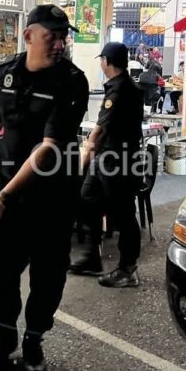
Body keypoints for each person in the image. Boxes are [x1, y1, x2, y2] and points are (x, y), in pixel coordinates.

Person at [0, 4, 89, 371]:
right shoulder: (5, 71)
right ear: (28, 36)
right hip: (11, 194)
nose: (60, 44)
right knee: (2, 272)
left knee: (48, 274)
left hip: (54, 196)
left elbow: (48, 148)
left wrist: (2, 196)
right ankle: (5, 338)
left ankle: (34, 341)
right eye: (52, 36)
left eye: (63, 36)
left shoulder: (72, 80)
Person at [71, 42, 143, 288]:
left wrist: (84, 160)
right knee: (87, 197)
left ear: (107, 62)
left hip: (119, 162)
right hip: (107, 159)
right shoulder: (122, 86)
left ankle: (128, 269)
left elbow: (99, 131)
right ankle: (92, 256)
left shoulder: (120, 89)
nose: (101, 63)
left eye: (102, 60)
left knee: (123, 214)